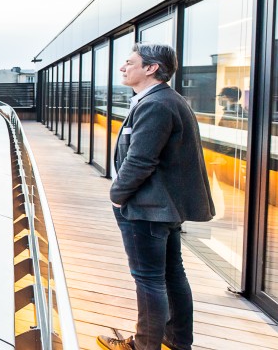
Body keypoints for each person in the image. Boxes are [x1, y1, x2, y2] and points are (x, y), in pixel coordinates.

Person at [98, 43, 215, 350]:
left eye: (129, 62)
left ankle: (143, 345)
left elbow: (141, 160)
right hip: (163, 207)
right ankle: (176, 340)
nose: (123, 68)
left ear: (150, 68)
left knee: (149, 280)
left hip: (148, 208)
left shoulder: (156, 104)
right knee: (172, 275)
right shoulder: (166, 99)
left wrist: (117, 196)